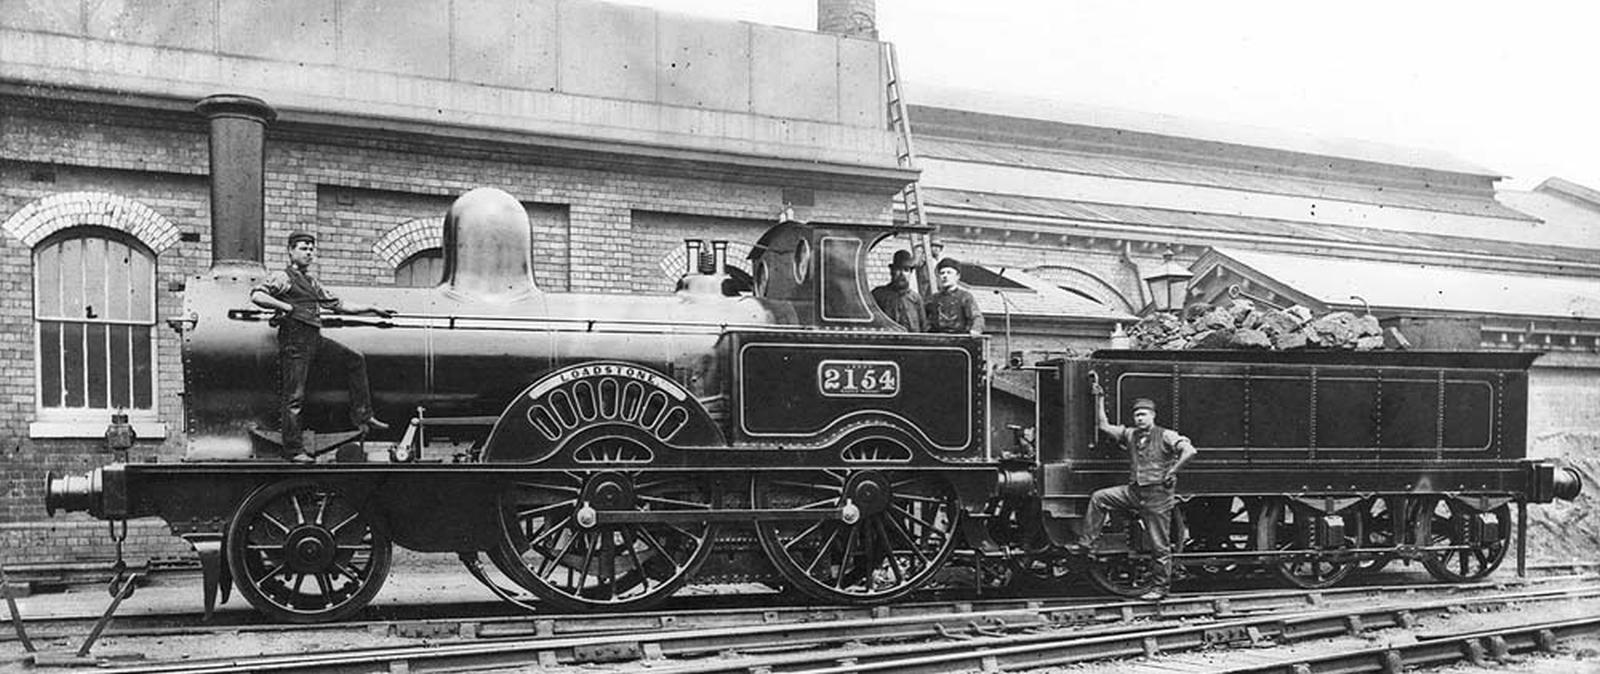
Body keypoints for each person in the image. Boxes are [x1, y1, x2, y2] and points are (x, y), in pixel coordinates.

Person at [251, 231, 395, 462]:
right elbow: (257, 295)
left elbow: (340, 305)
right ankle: (294, 450)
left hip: (314, 338)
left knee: (354, 358)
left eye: (311, 249)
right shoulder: (282, 277)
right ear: (290, 251)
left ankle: (363, 415)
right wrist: (285, 307)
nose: (308, 253)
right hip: (294, 340)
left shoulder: (312, 282)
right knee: (294, 396)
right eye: (303, 248)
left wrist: (372, 308)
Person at [1074, 389, 1198, 600]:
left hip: (1157, 497)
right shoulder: (1131, 434)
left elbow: (1190, 451)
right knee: (1100, 498)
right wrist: (1100, 398)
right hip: (1134, 491)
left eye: (1144, 415)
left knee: (1159, 545)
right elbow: (1104, 426)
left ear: (1153, 416)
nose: (1140, 418)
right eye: (1137, 415)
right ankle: (1087, 543)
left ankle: (1160, 589)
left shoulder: (1166, 435)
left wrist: (1172, 471)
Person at [924, 256, 984, 334]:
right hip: (938, 341)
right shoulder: (933, 299)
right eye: (942, 273)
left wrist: (976, 329)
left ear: (957, 276)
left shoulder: (965, 297)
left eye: (949, 273)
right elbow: (922, 319)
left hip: (959, 341)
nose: (945, 276)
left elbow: (976, 317)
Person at [870, 249, 924, 332]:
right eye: (898, 269)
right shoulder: (878, 295)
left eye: (906, 270)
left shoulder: (916, 299)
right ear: (892, 271)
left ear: (910, 273)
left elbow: (923, 329)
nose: (902, 274)